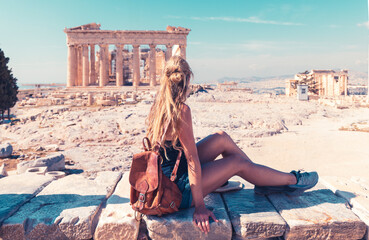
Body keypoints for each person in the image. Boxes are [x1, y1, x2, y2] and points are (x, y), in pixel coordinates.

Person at [146, 56, 318, 234]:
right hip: (176, 192)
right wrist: (200, 207)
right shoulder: (181, 110)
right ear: (187, 79)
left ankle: (264, 180)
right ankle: (291, 180)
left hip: (169, 176)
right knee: (238, 163)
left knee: (221, 138)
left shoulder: (159, 106)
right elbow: (192, 160)